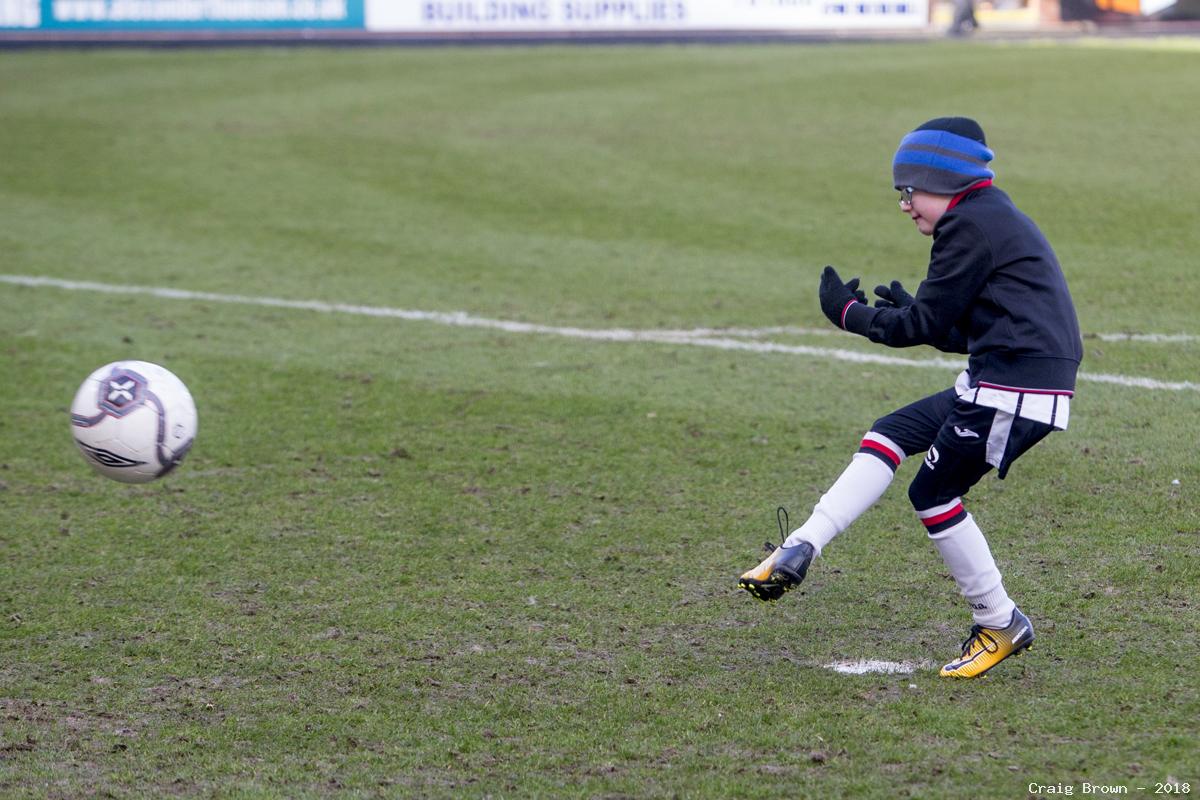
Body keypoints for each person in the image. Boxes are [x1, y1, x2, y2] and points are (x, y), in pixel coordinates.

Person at [738, 117, 1083, 679]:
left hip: (1018, 389)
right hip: (1002, 374)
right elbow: (963, 329)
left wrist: (851, 315)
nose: (904, 205)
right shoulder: (982, 215)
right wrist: (909, 313)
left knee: (933, 493)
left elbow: (920, 326)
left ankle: (1000, 621)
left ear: (943, 182)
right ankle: (799, 547)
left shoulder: (970, 225)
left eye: (909, 191)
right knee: (891, 431)